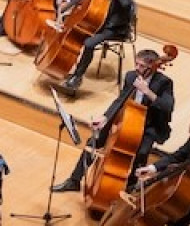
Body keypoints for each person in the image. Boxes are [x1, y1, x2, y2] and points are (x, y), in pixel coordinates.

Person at [52, 48, 175, 194]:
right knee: (94, 141)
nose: (137, 68)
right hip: (126, 118)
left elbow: (167, 107)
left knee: (141, 153)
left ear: (152, 66)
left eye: (141, 66)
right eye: (136, 63)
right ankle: (74, 181)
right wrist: (105, 117)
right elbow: (121, 99)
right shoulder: (131, 76)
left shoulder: (164, 83)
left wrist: (147, 91)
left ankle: (129, 189)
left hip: (149, 124)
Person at [54, 0, 138, 93]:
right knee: (72, 26)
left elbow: (125, 3)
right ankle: (64, 66)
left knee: (89, 43)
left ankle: (77, 77)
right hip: (99, 21)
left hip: (115, 26)